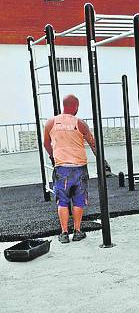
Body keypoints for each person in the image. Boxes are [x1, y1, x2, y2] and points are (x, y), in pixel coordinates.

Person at [43, 94, 97, 243]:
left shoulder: (50, 123)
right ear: (76, 107)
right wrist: (102, 160)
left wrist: (53, 156)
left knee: (62, 201)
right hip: (79, 168)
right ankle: (78, 231)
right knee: (79, 200)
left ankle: (64, 233)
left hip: (62, 169)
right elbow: (93, 143)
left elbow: (46, 144)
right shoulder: (80, 123)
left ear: (63, 106)